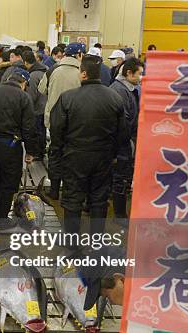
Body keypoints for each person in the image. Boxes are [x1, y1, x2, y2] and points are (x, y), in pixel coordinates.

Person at [49, 55, 127, 247]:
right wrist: (114, 155)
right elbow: (123, 133)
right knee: (99, 201)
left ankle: (72, 245)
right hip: (103, 158)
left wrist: (56, 158)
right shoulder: (115, 98)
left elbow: (56, 130)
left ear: (83, 74)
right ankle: (96, 243)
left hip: (74, 158)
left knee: (73, 201)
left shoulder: (67, 98)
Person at [0, 70, 38, 230]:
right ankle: (1, 219)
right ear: (24, 83)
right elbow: (29, 127)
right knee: (8, 183)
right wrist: (31, 151)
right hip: (10, 147)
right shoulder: (23, 97)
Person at [39, 42, 85, 201]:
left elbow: (41, 90)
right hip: (76, 122)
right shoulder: (82, 72)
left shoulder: (52, 70)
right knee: (73, 156)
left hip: (54, 120)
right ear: (79, 55)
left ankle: (53, 190)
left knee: (55, 153)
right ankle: (69, 190)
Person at [110, 57, 143, 227]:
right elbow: (123, 123)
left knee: (122, 178)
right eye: (139, 74)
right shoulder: (120, 91)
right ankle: (119, 214)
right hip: (121, 144)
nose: (141, 78)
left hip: (126, 142)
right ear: (128, 73)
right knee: (120, 178)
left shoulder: (130, 88)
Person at [22, 51, 48, 160]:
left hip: (37, 108)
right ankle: (41, 150)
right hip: (45, 106)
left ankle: (38, 153)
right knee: (42, 131)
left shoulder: (32, 75)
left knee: (37, 132)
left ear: (26, 62)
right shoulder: (45, 70)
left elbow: (31, 95)